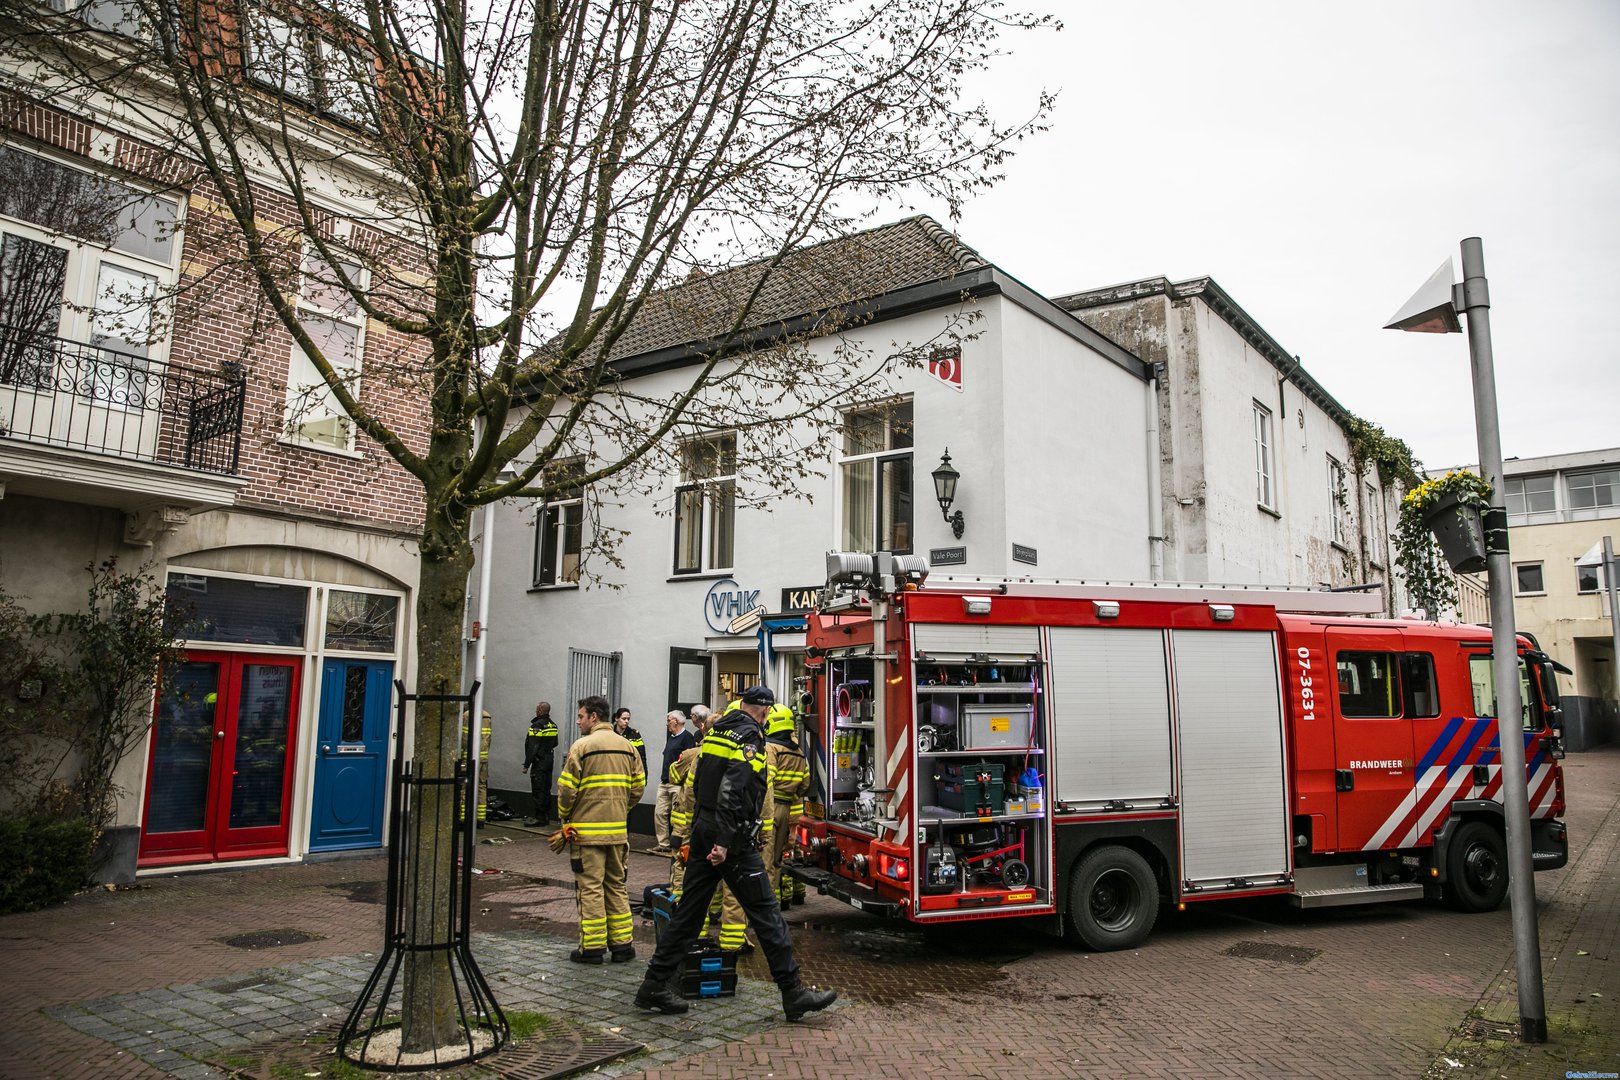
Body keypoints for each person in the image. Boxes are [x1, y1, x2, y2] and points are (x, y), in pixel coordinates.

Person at [635, 685, 836, 1021]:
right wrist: (725, 842)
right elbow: (734, 789)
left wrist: (704, 832)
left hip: (704, 830)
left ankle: (653, 984)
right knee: (767, 914)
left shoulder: (717, 733)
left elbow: (700, 784)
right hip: (731, 840)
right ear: (767, 711)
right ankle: (793, 992)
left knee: (688, 914)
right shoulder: (749, 738)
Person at [558, 694, 646, 963]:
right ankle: (623, 946)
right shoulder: (628, 747)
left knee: (591, 888)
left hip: (587, 835)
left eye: (581, 716)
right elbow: (638, 787)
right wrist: (620, 809)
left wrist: (566, 818)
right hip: (618, 833)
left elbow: (566, 791)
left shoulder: (582, 746)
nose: (578, 720)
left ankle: (593, 948)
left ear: (593, 717)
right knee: (617, 886)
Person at [764, 703, 810, 906]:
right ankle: (776, 902)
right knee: (777, 858)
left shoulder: (771, 748)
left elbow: (767, 779)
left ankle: (766, 903)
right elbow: (805, 784)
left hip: (769, 806)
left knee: (765, 858)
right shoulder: (799, 753)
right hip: (787, 807)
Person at [653, 709, 698, 854]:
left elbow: (690, 761)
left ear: (676, 722)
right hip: (664, 781)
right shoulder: (671, 737)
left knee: (676, 815)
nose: (666, 724)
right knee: (659, 813)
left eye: (668, 720)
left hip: (677, 784)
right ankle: (663, 843)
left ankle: (677, 843)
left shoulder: (687, 738)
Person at [521, 701, 559, 826]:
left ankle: (540, 817)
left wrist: (527, 765)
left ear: (540, 711)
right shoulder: (553, 725)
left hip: (540, 761)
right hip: (549, 759)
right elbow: (555, 743)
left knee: (538, 788)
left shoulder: (537, 726)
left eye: (537, 709)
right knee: (546, 787)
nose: (535, 711)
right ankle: (546, 816)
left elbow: (533, 746)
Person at [613, 707, 648, 772]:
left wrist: (644, 778)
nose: (626, 721)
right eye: (624, 719)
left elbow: (642, 757)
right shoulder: (611, 733)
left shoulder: (634, 735)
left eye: (628, 719)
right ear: (616, 718)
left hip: (630, 772)